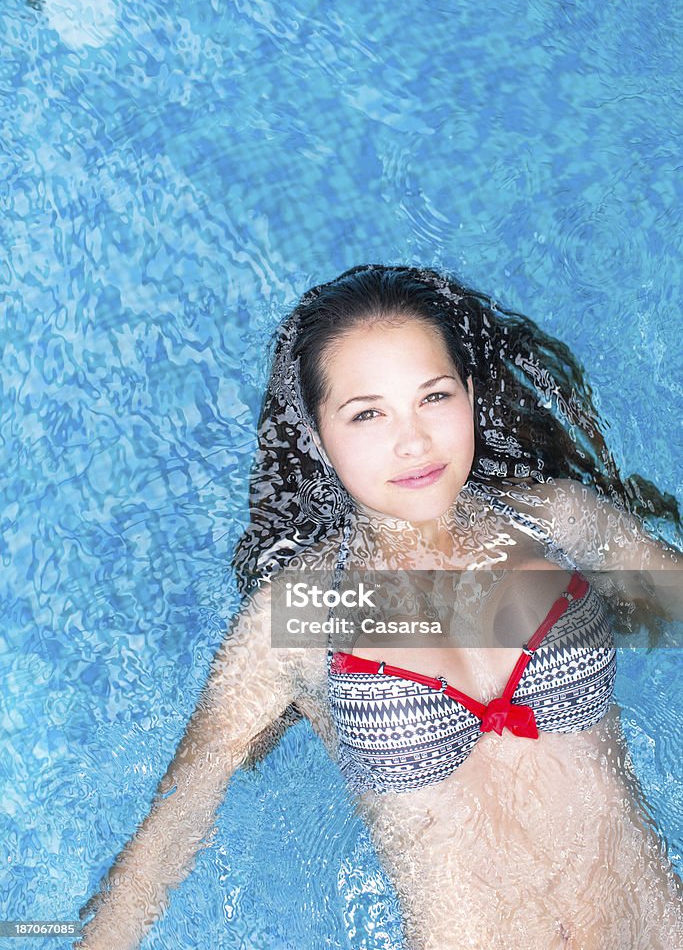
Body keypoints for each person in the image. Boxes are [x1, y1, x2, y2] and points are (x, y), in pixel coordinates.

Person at [76, 264, 683, 950]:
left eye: (433, 396)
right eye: (368, 413)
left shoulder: (560, 526)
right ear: (316, 436)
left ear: (470, 395)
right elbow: (169, 831)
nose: (413, 440)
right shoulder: (299, 617)